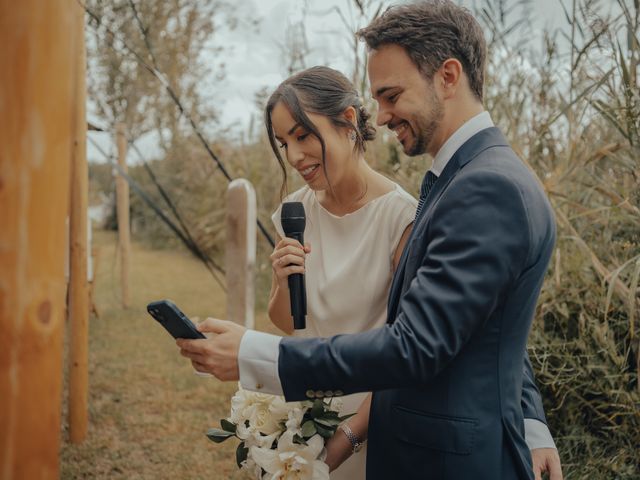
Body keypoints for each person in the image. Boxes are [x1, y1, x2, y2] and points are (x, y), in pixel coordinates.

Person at [178, 2, 563, 479]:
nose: (378, 117)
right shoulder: (463, 179)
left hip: (443, 458)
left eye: (391, 95)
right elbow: (480, 317)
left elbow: (416, 344)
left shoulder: (485, 187)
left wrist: (252, 355)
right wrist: (530, 419)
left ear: (448, 76)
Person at [263, 66, 417, 479]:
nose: (294, 157)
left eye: (302, 135)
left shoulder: (401, 218)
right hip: (302, 412)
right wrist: (281, 281)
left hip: (371, 421)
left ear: (349, 121)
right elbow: (287, 324)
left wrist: (345, 440)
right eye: (283, 143)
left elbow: (409, 350)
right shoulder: (294, 211)